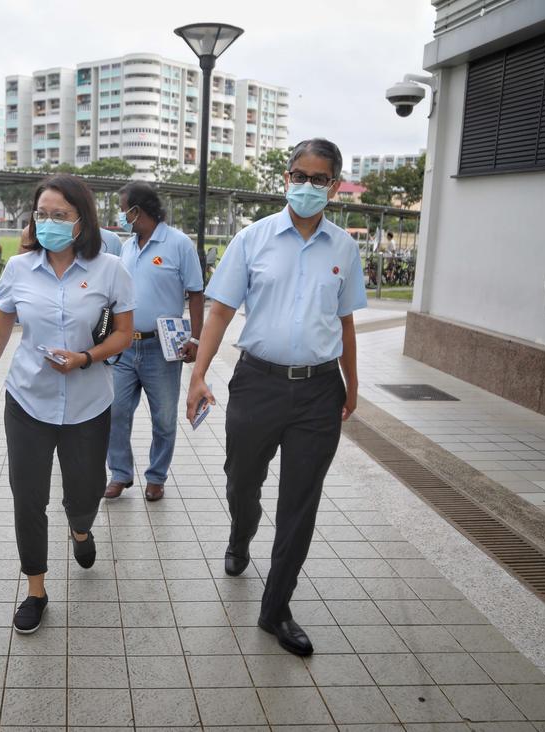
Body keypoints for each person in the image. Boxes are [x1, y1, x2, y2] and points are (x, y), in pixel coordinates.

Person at [186, 138, 366, 657]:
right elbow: (218, 311)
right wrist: (199, 376)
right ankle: (241, 534)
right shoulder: (253, 239)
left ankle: (276, 608)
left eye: (318, 179)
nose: (306, 186)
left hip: (318, 391)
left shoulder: (344, 249)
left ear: (334, 185)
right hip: (256, 383)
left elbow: (347, 322)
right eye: (298, 175)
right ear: (286, 178)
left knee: (300, 503)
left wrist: (352, 384)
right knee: (242, 479)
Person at [0, 173, 133, 635]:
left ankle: (81, 528)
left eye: (59, 215)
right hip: (28, 401)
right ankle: (35, 590)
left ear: (81, 220)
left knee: (83, 492)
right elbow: (0, 330)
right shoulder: (19, 269)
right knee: (28, 499)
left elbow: (124, 333)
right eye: (42, 214)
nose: (49, 222)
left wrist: (85, 357)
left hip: (88, 403)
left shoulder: (110, 269)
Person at [105, 183, 203, 502]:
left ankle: (157, 476)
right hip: (124, 345)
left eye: (124, 209)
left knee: (162, 417)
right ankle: (120, 473)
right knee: (116, 411)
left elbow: (197, 293)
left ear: (138, 210)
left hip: (163, 348)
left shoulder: (178, 244)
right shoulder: (127, 246)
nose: (121, 215)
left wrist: (196, 339)